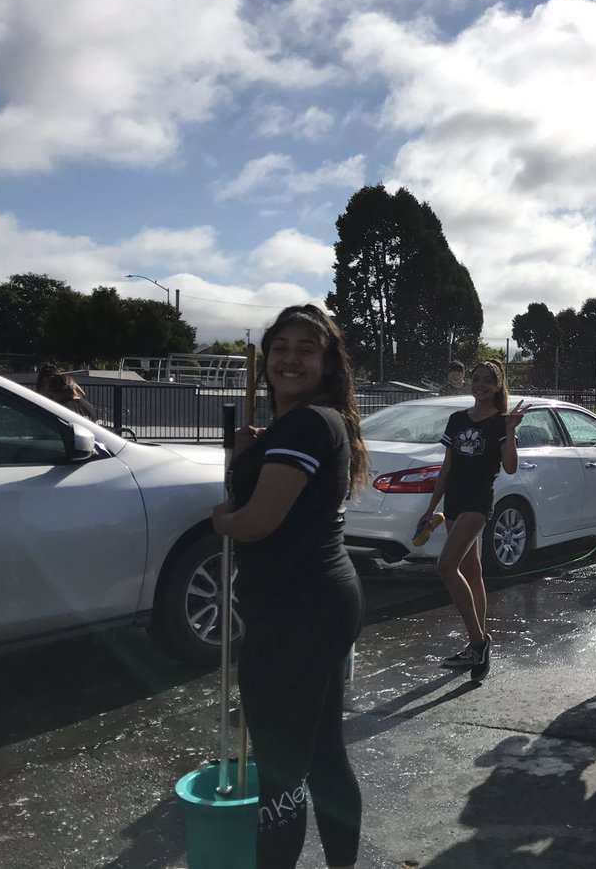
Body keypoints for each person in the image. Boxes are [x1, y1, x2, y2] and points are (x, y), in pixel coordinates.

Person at [211, 304, 368, 869]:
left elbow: (256, 522)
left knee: (280, 772)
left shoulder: (307, 424)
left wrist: (222, 520)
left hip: (297, 615)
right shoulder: (310, 423)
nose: (289, 358)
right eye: (280, 346)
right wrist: (252, 456)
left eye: (306, 348)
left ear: (327, 364)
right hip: (319, 603)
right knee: (322, 753)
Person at [418, 360, 527, 681]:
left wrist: (510, 429)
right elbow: (446, 468)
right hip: (453, 502)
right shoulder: (456, 420)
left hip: (477, 504)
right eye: (476, 379)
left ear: (497, 386)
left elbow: (509, 467)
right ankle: (477, 644)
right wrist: (430, 508)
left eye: (487, 381)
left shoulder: (500, 424)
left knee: (445, 566)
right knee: (471, 570)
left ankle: (479, 642)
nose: (479, 384)